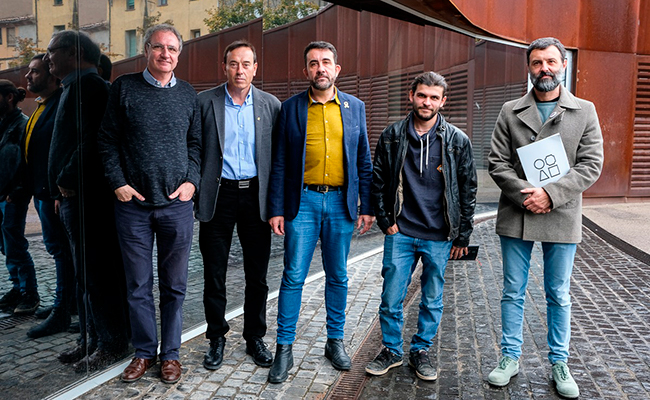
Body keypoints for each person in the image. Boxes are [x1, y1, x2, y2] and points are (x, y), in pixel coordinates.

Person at [487, 37, 604, 399]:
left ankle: (559, 361)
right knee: (512, 291)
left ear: (563, 65)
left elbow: (591, 164)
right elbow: (496, 163)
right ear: (529, 67)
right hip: (518, 210)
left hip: (561, 212)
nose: (545, 69)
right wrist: (528, 194)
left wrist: (550, 195)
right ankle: (509, 357)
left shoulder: (584, 110)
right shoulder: (510, 110)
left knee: (558, 293)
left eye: (551, 62)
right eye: (537, 63)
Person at [98, 24, 201, 384]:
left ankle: (170, 355)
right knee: (138, 285)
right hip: (133, 207)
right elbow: (106, 141)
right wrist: (118, 184)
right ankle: (144, 352)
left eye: (172, 49)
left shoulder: (189, 94)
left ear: (179, 54)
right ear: (147, 51)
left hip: (176, 206)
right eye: (159, 48)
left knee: (175, 286)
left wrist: (192, 182)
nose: (165, 54)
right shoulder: (124, 88)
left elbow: (196, 145)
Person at [267, 41, 374, 383]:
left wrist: (367, 207)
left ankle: (335, 341)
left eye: (326, 62)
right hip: (304, 203)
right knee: (293, 276)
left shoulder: (354, 107)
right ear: (306, 71)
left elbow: (364, 161)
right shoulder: (292, 109)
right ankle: (284, 349)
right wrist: (277, 209)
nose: (320, 68)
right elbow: (280, 162)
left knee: (338, 275)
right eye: (313, 64)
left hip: (341, 204)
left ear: (336, 69)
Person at [366, 71, 477, 380]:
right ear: (411, 96)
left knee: (432, 298)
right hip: (400, 233)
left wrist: (462, 235)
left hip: (440, 236)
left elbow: (467, 190)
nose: (426, 102)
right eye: (421, 95)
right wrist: (386, 222)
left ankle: (420, 350)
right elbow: (378, 181)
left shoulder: (457, 141)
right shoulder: (392, 135)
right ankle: (391, 350)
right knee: (391, 296)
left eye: (433, 97)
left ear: (443, 101)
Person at [42, 30, 129, 371]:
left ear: (74, 53)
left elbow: (94, 143)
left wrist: (65, 181)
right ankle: (92, 340)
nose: (48, 57)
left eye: (53, 51)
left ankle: (112, 343)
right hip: (74, 200)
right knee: (85, 275)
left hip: (89, 201)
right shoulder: (74, 88)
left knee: (98, 275)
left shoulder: (92, 88)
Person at [196, 40, 280, 371]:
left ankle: (254, 337)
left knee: (256, 275)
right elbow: (194, 149)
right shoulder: (205, 102)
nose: (240, 70)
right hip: (219, 196)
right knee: (214, 273)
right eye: (233, 63)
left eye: (246, 64)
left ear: (255, 68)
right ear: (224, 67)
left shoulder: (271, 105)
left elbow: (279, 159)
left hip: (255, 197)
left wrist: (277, 204)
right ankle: (216, 337)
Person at [21, 54, 75, 336]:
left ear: (53, 77)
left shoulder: (60, 106)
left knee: (62, 251)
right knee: (58, 251)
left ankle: (63, 309)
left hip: (56, 194)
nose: (28, 77)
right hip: (42, 192)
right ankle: (67, 302)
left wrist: (57, 191)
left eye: (35, 72)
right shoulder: (43, 107)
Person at [0, 80, 38, 316]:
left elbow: (26, 162)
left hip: (13, 195)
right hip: (2, 193)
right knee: (6, 244)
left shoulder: (21, 125)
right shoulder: (3, 124)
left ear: (9, 98)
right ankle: (17, 287)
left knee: (14, 243)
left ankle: (29, 293)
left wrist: (18, 191)